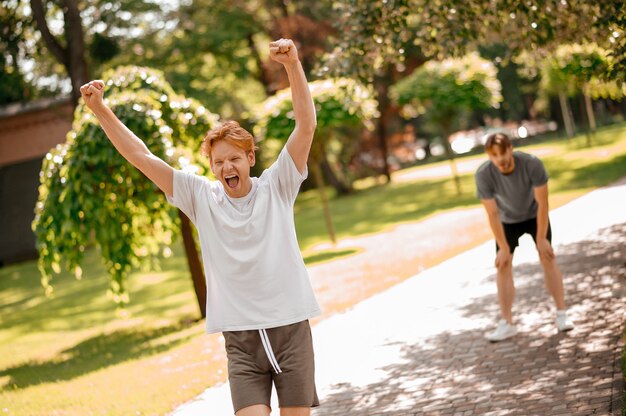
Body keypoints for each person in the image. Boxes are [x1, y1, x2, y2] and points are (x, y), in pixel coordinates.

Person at [80, 38, 321, 415]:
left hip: (290, 328)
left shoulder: (278, 185)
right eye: (220, 161)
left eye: (235, 159)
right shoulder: (199, 197)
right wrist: (100, 109)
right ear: (211, 166)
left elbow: (306, 125)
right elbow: (141, 156)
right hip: (241, 340)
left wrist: (292, 64)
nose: (228, 168)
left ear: (250, 158)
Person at [475, 132, 574, 342]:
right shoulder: (484, 175)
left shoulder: (531, 164)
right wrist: (503, 247)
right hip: (507, 220)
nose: (500, 159)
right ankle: (507, 323)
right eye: (494, 155)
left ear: (511, 149)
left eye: (503, 153)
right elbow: (492, 214)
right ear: (488, 156)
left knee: (547, 256)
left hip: (534, 215)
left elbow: (543, 204)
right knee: (502, 265)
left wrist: (541, 239)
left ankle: (562, 313)